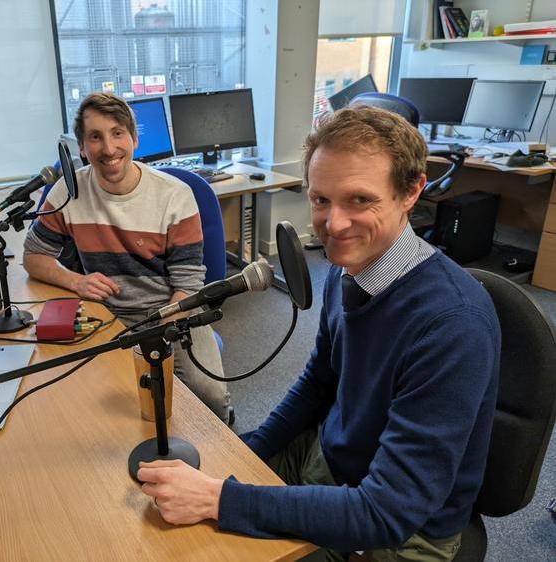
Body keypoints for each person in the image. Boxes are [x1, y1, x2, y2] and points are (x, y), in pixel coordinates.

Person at [137, 105, 501, 561]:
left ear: (411, 192)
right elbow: (318, 382)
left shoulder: (452, 326)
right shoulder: (348, 268)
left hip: (401, 530)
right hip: (332, 461)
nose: (334, 224)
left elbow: (387, 512)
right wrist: (245, 452)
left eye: (360, 200)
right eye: (320, 200)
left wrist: (218, 498)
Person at [23, 92, 231, 424]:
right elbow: (34, 256)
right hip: (107, 317)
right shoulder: (68, 191)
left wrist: (160, 332)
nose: (108, 149)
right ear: (81, 147)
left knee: (209, 396)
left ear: (133, 138)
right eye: (95, 137)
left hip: (172, 312)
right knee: (93, 407)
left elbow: (189, 287)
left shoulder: (174, 196)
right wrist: (76, 280)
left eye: (117, 133)